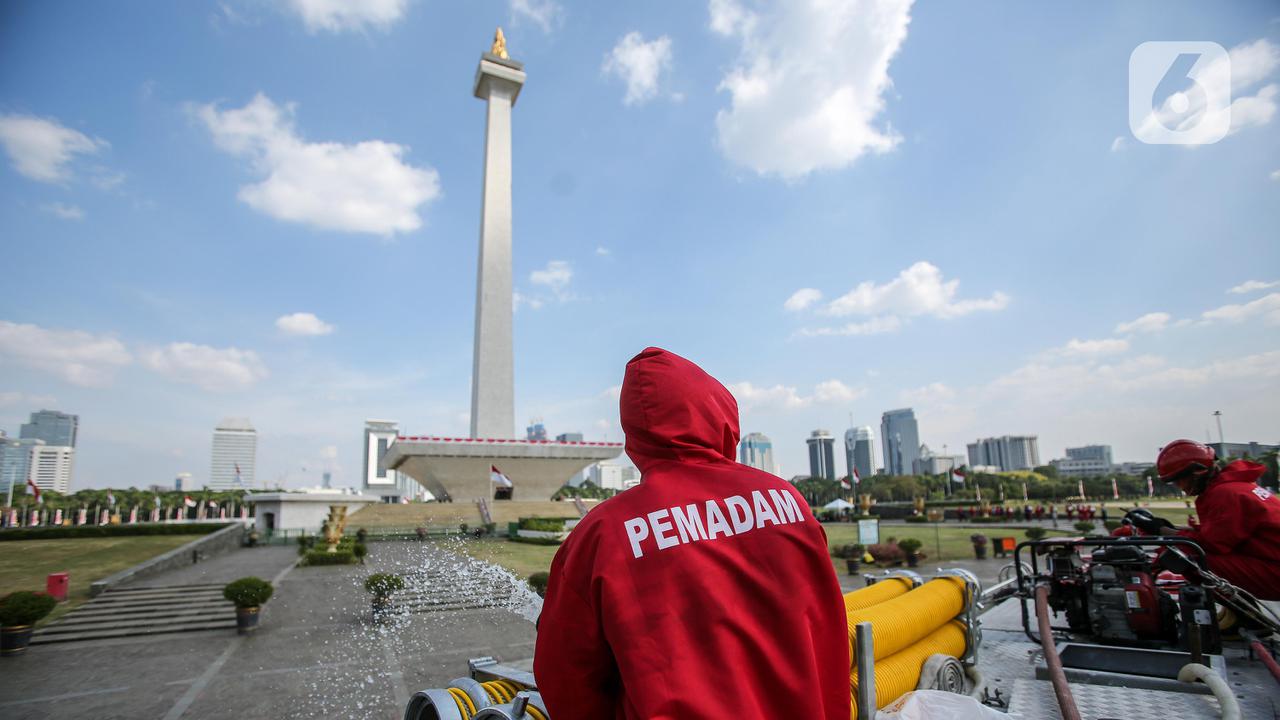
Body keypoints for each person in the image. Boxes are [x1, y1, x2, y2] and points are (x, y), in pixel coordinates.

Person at [534, 348, 850, 719]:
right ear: (718, 413)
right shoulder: (787, 502)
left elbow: (565, 675)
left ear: (635, 434)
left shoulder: (603, 534)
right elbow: (828, 630)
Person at [1126, 439, 1280, 600]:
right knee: (1185, 550)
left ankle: (1239, 613)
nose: (1179, 486)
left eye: (1178, 480)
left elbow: (1211, 543)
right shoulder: (1237, 487)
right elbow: (1223, 532)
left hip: (1274, 570)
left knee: (1186, 556)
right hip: (1271, 561)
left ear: (1197, 472)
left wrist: (1161, 530)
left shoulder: (1224, 494)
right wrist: (1170, 529)